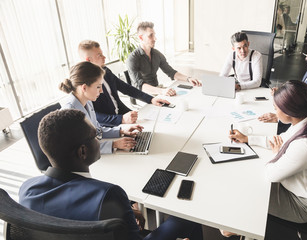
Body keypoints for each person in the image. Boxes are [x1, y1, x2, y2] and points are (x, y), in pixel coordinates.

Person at [19, 109, 203, 240]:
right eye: (95, 136)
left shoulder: (27, 190)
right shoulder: (107, 195)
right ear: (83, 151)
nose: (100, 140)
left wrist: (122, 214)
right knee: (187, 216)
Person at [222, 80, 307, 238]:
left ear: (289, 111)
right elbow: (280, 140)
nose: (274, 112)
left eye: (276, 108)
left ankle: (245, 228)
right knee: (246, 179)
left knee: (246, 189)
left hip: (302, 205)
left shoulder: (306, 144)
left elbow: (271, 175)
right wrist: (248, 139)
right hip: (297, 187)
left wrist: (276, 154)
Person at [78, 40, 170, 127]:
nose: (104, 57)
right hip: (108, 125)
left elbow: (126, 88)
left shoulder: (106, 71)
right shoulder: (84, 86)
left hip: (123, 114)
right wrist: (121, 119)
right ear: (88, 60)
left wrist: (151, 99)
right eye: (99, 55)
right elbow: (94, 115)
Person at [59, 61, 142, 154]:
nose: (102, 91)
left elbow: (97, 130)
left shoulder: (87, 102)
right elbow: (81, 149)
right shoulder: (69, 113)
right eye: (98, 87)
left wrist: (121, 131)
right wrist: (114, 144)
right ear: (84, 88)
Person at [127, 21, 201, 96]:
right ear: (141, 37)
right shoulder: (133, 58)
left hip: (157, 90)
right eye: (151, 35)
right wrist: (162, 91)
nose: (155, 38)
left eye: (154, 35)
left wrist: (188, 78)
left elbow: (171, 73)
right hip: (142, 95)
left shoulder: (157, 54)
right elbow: (140, 86)